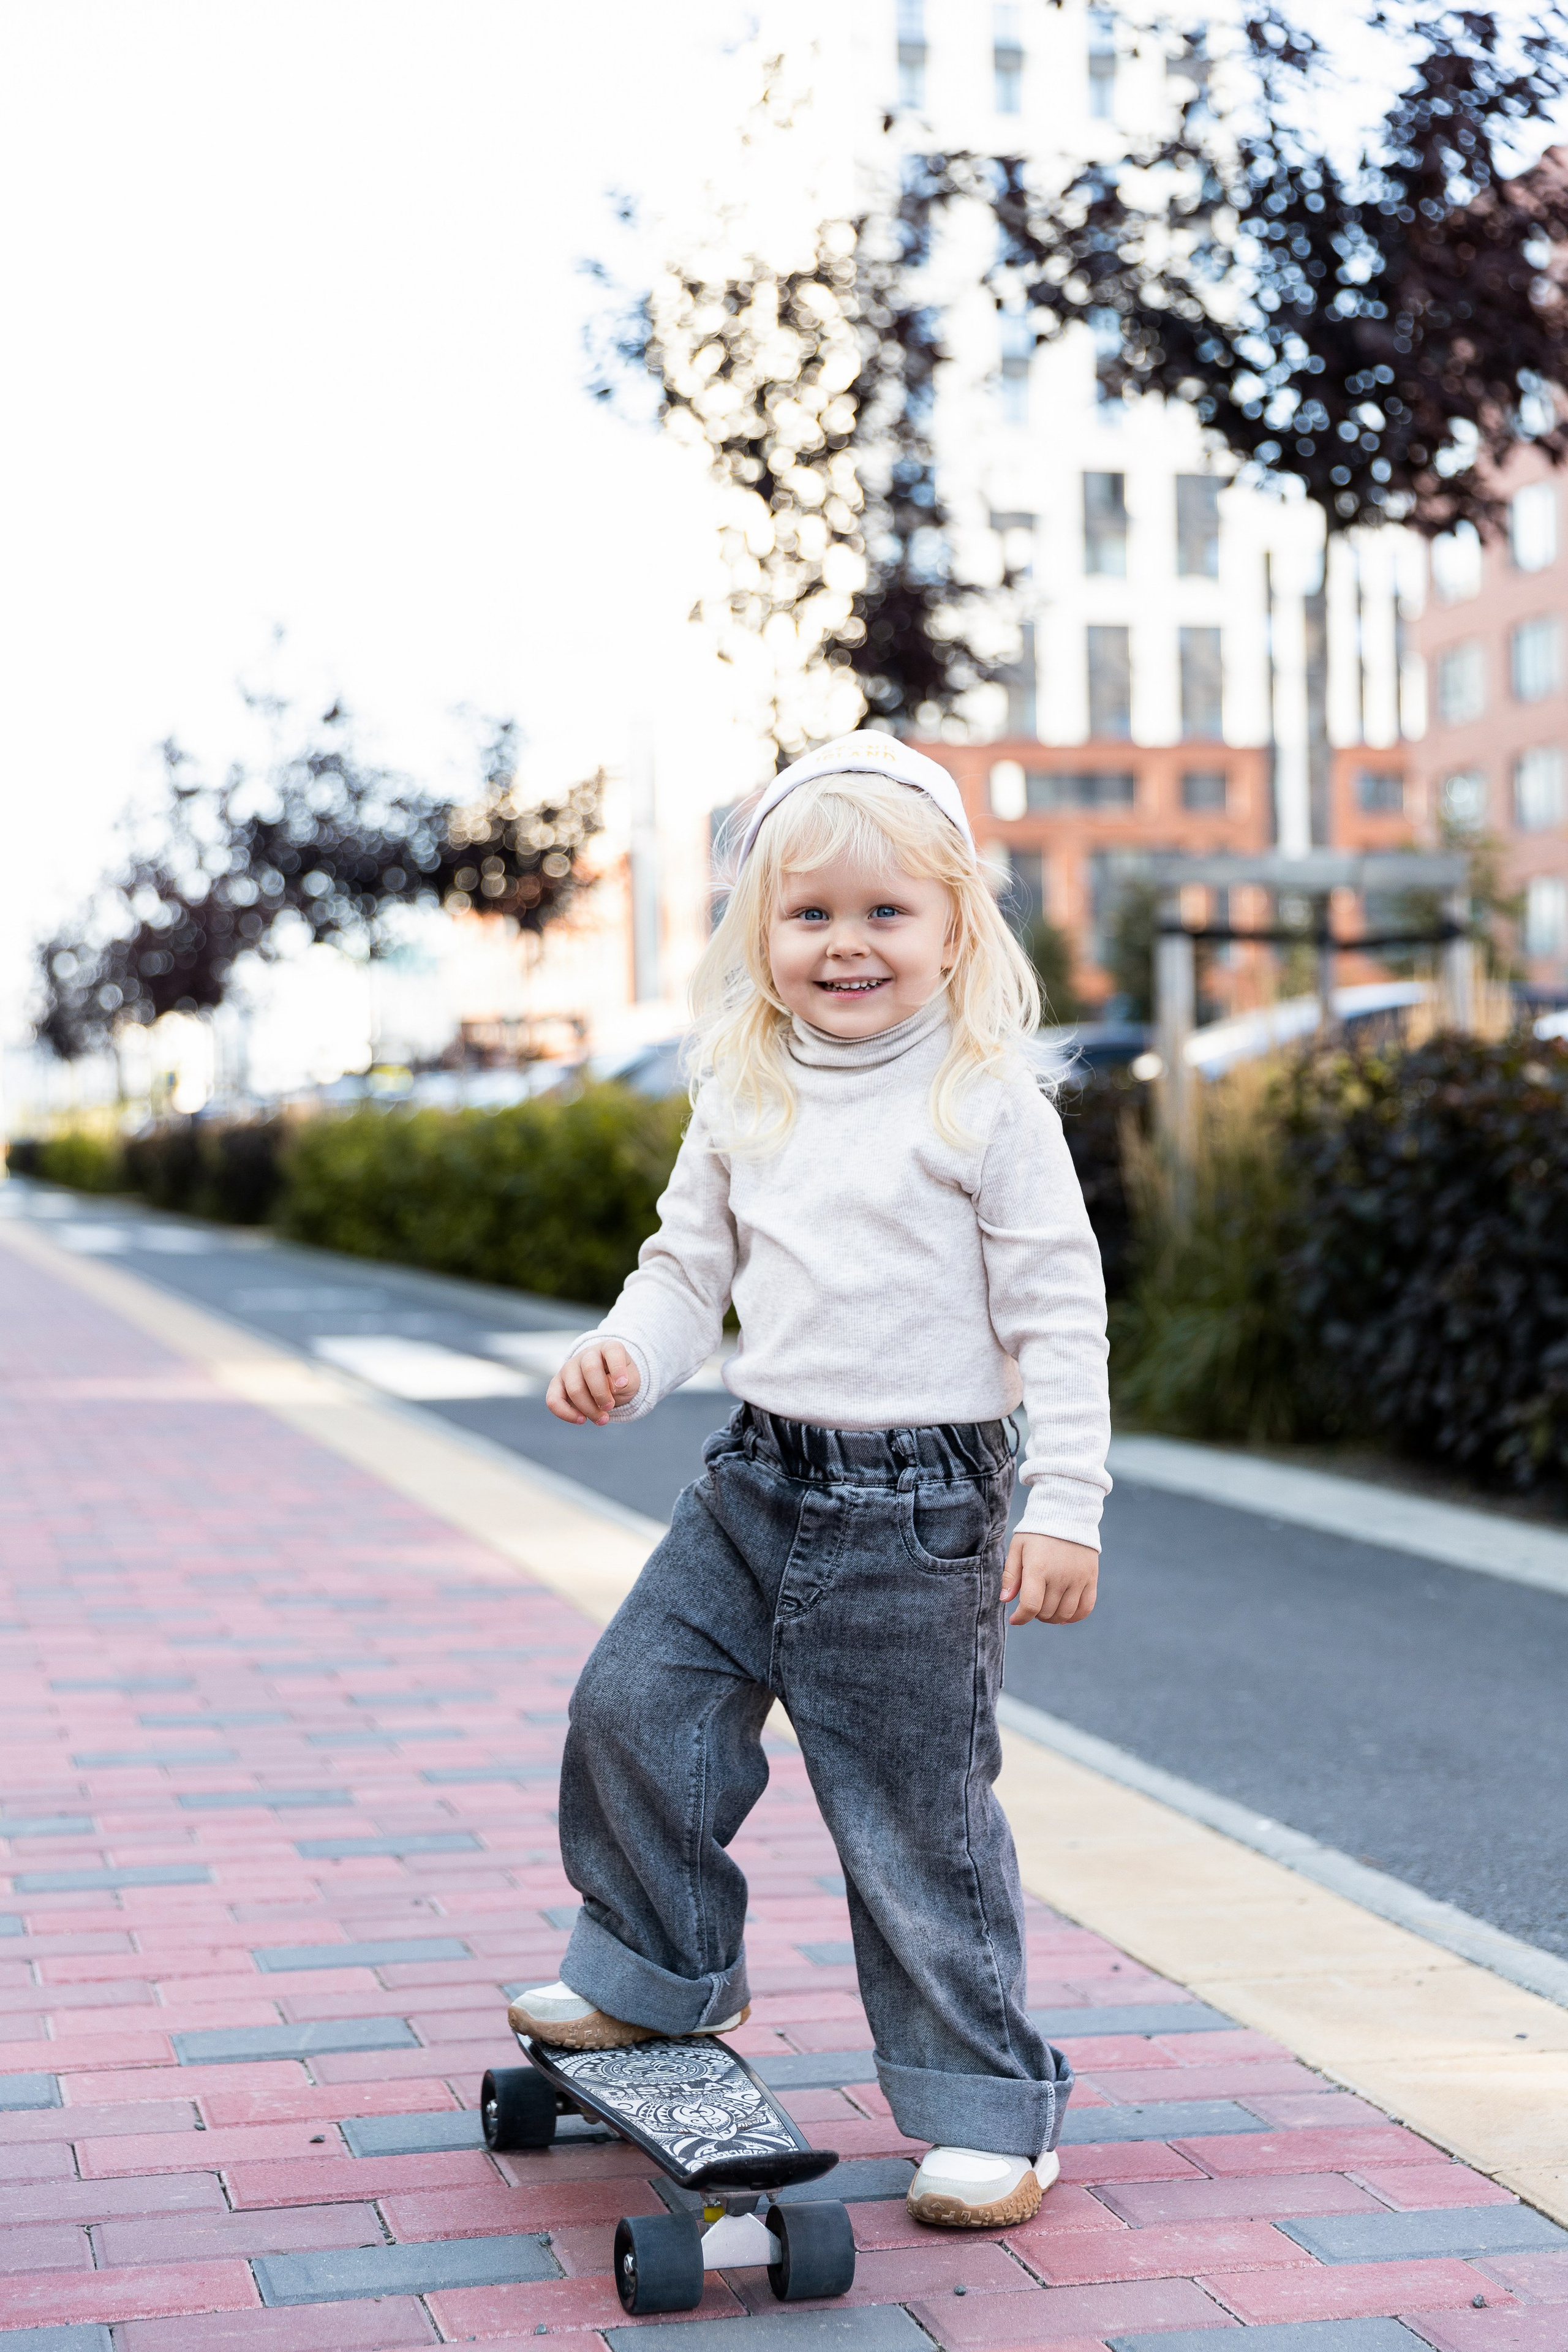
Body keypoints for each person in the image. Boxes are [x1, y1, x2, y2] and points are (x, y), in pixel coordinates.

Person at [509, 730, 1110, 2230]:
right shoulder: (743, 1089)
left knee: (913, 1821)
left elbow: (1061, 1318)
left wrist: (1066, 1506)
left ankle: (990, 2112)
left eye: (884, 912)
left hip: (919, 1517)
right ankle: (654, 1980)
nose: (846, 945)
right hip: (750, 1483)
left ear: (956, 925)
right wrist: (626, 1358)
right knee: (632, 1703)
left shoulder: (988, 1105)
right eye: (809, 914)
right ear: (759, 936)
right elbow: (682, 1272)